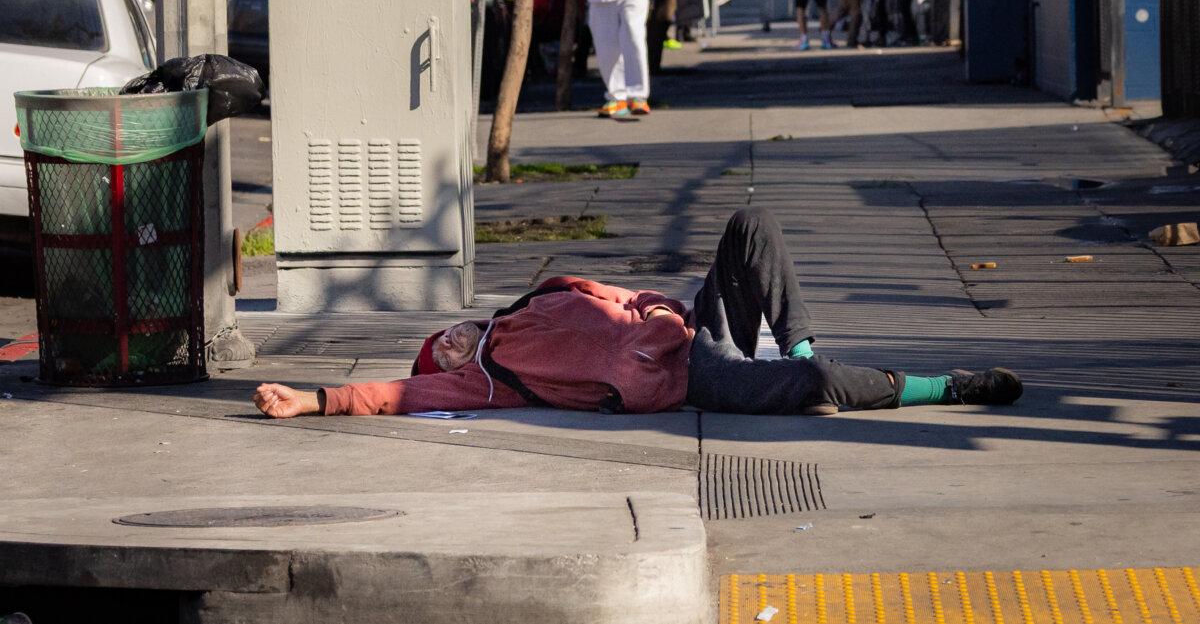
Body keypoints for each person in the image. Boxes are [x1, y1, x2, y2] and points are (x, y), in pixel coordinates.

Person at [254, 208, 1023, 420]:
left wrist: (659, 306)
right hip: (688, 377)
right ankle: (948, 387)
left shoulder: (539, 297)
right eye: (442, 351)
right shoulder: (487, 380)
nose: (450, 343)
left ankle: (798, 342)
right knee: (818, 386)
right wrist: (315, 398)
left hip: (693, 322)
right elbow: (396, 394)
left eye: (445, 336)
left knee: (751, 225)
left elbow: (623, 296)